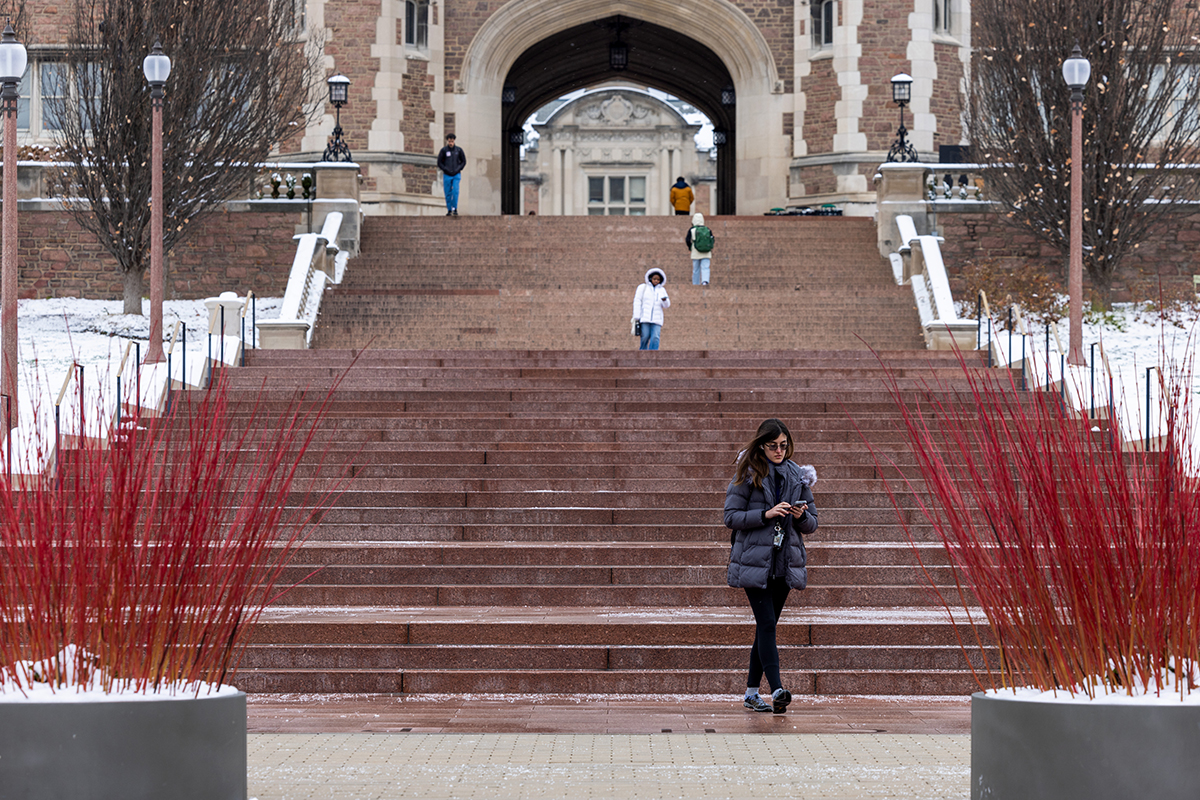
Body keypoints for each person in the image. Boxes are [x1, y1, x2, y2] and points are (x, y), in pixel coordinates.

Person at [724, 418, 818, 714]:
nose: (779, 451)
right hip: (754, 562)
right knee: (766, 625)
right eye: (773, 445)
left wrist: (800, 515)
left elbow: (812, 524)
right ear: (761, 445)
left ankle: (752, 693)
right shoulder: (747, 474)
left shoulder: (797, 475)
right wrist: (766, 514)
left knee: (766, 628)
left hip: (783, 563)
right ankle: (777, 688)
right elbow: (731, 517)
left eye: (783, 445)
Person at [631, 268, 670, 350]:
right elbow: (637, 301)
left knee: (655, 337)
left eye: (658, 279)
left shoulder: (662, 290)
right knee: (645, 337)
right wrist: (637, 315)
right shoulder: (642, 287)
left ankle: (654, 354)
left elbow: (666, 305)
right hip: (645, 317)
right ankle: (643, 353)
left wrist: (665, 300)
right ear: (650, 278)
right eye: (654, 279)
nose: (656, 281)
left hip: (657, 318)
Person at [437, 133, 466, 216]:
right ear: (447, 141)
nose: (450, 143)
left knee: (455, 191)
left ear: (454, 141)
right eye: (449, 141)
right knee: (448, 193)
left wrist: (458, 169)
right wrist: (445, 169)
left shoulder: (459, 150)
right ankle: (449, 209)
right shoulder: (444, 151)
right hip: (447, 175)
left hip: (456, 174)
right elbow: (439, 162)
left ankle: (454, 208)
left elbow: (463, 161)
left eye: (452, 141)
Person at [685, 212, 714, 285]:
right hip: (706, 252)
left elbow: (688, 240)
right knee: (706, 267)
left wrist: (690, 248)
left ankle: (695, 283)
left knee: (696, 269)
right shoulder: (707, 229)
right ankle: (705, 281)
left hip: (695, 251)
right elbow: (712, 239)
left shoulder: (692, 229)